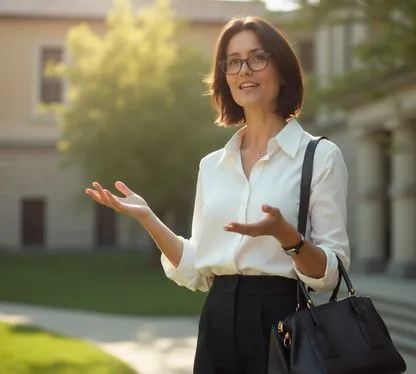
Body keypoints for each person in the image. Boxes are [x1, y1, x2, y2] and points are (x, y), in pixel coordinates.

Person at [85, 15, 350, 374]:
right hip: (218, 321)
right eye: (233, 61)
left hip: (282, 322)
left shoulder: (320, 157)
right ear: (224, 76)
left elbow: (331, 275)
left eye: (257, 57)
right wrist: (147, 217)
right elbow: (197, 267)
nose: (244, 70)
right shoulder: (212, 165)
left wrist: (288, 237)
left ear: (283, 69)